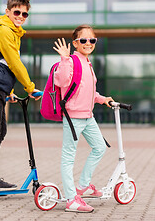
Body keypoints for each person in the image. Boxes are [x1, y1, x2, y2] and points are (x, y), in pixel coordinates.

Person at [0, 0, 40, 192]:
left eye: (24, 13)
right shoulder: (4, 30)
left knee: (0, 130)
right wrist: (30, 87)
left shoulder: (12, 32)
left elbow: (1, 63)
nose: (21, 16)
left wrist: (10, 91)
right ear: (8, 12)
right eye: (17, 12)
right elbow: (14, 63)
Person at [53, 25, 114, 213]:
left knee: (100, 147)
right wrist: (64, 59)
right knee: (68, 158)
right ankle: (72, 199)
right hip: (73, 118)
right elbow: (61, 82)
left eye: (92, 40)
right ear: (75, 43)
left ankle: (83, 186)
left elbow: (88, 91)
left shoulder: (88, 63)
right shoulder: (71, 61)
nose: (88, 43)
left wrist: (103, 99)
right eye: (84, 40)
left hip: (88, 117)